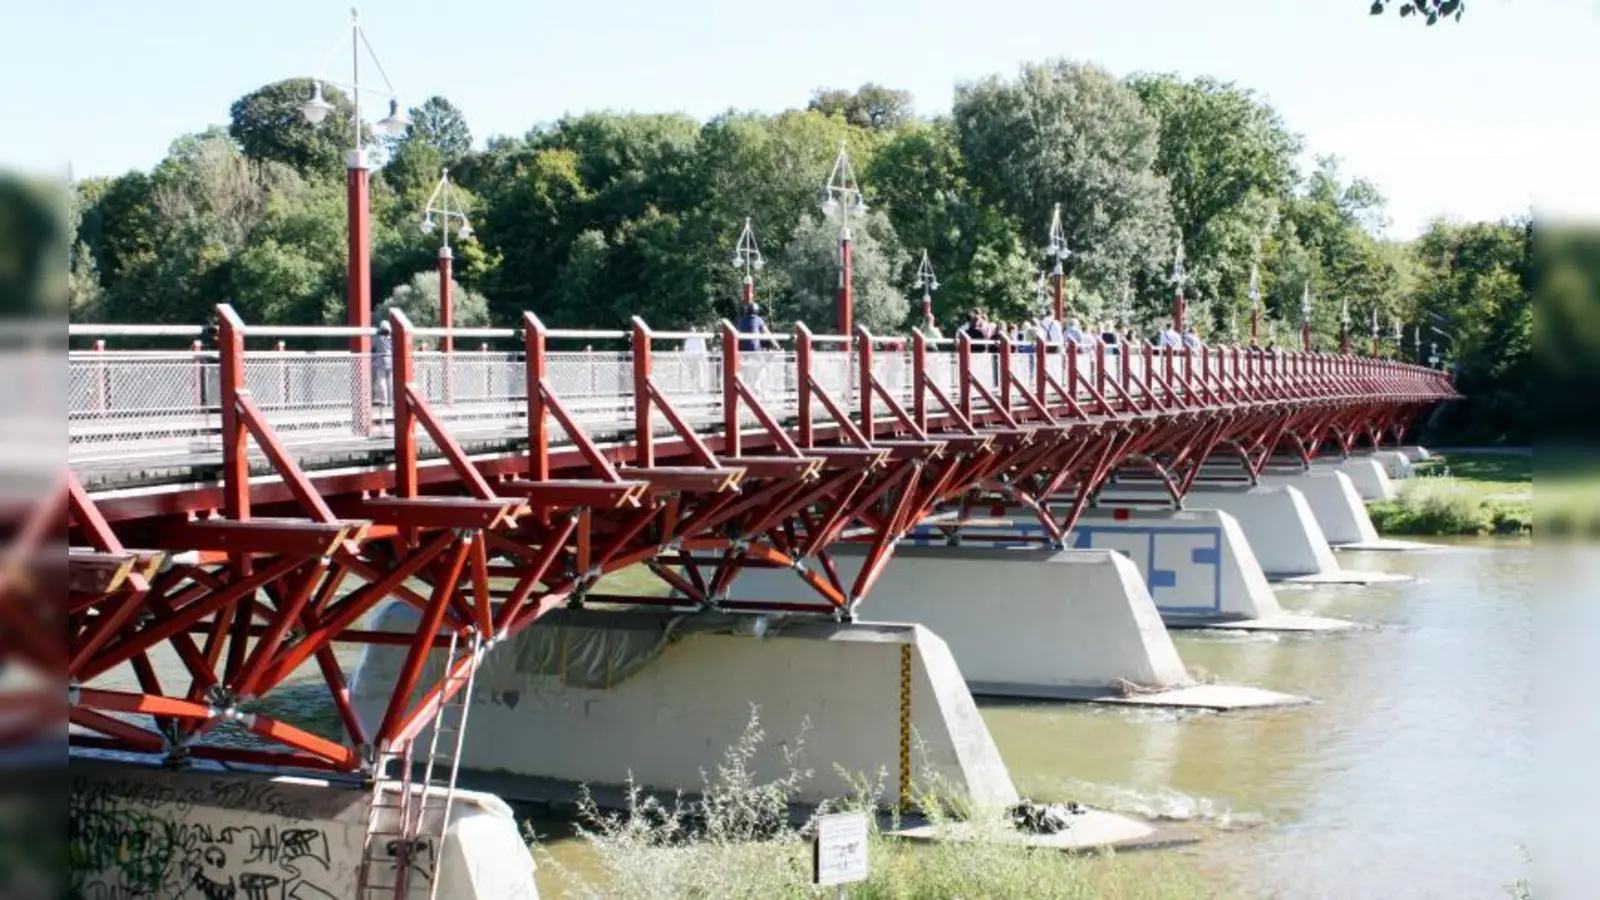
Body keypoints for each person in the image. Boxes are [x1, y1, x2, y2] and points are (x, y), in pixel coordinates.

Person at [373, 320, 393, 407]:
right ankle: (391, 400)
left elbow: (374, 345)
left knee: (382, 381)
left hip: (381, 361)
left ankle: (384, 400)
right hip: (391, 360)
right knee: (390, 382)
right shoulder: (392, 337)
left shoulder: (378, 338)